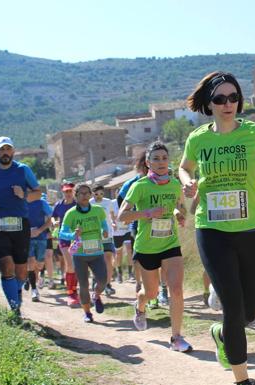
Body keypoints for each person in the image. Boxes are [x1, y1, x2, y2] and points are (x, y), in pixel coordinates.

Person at [179, 71, 255, 385]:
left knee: (250, 309)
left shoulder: (254, 134)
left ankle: (220, 334)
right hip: (211, 230)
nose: (228, 104)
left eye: (234, 97)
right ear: (209, 105)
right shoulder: (199, 138)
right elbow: (184, 168)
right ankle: (242, 379)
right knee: (233, 307)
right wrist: (188, 184)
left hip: (251, 228)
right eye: (220, 99)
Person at [119, 141, 192, 352]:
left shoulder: (175, 184)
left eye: (164, 158)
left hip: (170, 243)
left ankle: (176, 338)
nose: (161, 162)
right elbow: (123, 216)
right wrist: (148, 213)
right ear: (148, 163)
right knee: (150, 293)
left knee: (176, 289)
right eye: (156, 159)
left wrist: (179, 215)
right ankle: (140, 306)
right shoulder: (139, 186)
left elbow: (179, 208)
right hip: (147, 247)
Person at [0, 136, 41, 315]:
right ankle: (15, 309)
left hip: (20, 223)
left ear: (13, 151)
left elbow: (37, 193)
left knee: (21, 272)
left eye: (8, 149)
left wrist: (24, 195)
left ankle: (17, 290)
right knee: (6, 265)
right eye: (1, 149)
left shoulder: (23, 170)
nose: (5, 153)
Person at [59, 183, 108, 323]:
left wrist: (105, 231)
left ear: (91, 194)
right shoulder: (71, 213)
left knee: (103, 280)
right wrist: (73, 235)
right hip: (80, 255)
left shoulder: (98, 210)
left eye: (87, 193)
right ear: (76, 196)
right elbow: (62, 233)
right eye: (81, 193)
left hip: (97, 252)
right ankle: (87, 313)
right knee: (84, 284)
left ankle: (97, 295)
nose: (85, 195)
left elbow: (104, 224)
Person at [117, 152, 147, 293]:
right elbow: (120, 200)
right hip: (138, 225)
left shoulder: (163, 179)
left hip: (160, 223)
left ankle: (162, 288)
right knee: (140, 256)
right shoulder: (132, 183)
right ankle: (140, 282)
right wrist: (129, 216)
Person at [52, 182, 78, 306]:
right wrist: (55, 222)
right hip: (64, 238)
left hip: (77, 238)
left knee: (77, 265)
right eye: (66, 191)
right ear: (62, 192)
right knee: (70, 264)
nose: (68, 193)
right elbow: (53, 217)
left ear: (73, 192)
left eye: (70, 191)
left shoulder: (77, 204)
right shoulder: (59, 205)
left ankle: (76, 290)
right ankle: (71, 293)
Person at [26, 193, 54, 302]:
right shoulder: (21, 204)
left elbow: (49, 221)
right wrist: (27, 231)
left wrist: (39, 230)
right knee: (30, 262)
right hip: (27, 238)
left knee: (39, 264)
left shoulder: (42, 203)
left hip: (41, 238)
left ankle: (33, 278)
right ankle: (34, 290)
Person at [90, 184, 117, 296]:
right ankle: (95, 279)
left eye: (101, 194)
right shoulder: (89, 203)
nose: (99, 196)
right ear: (93, 194)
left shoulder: (108, 202)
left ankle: (107, 284)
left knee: (108, 258)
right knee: (94, 260)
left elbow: (111, 215)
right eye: (96, 194)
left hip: (107, 235)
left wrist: (114, 223)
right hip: (93, 235)